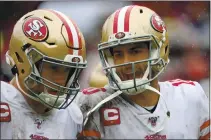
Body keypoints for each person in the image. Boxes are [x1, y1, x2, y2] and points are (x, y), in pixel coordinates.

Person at [75, 5, 210, 139]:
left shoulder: (190, 97)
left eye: (135, 51)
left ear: (159, 50)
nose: (125, 63)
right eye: (118, 54)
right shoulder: (93, 105)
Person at [0, 9, 87, 139]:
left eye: (69, 70)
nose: (61, 80)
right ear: (21, 59)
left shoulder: (73, 116)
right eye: (54, 67)